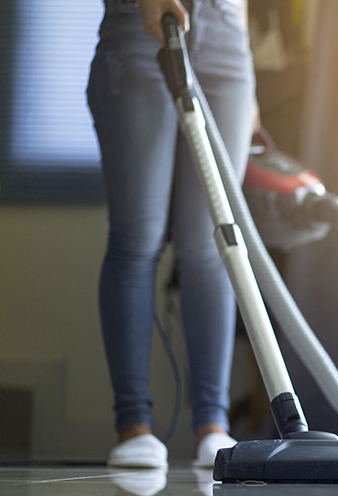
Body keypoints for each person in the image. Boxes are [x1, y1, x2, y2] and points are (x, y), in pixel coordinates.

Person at [87, 0, 257, 468]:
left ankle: (213, 428)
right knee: (137, 238)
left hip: (226, 36)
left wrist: (247, 79)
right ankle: (134, 426)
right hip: (139, 26)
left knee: (210, 245)